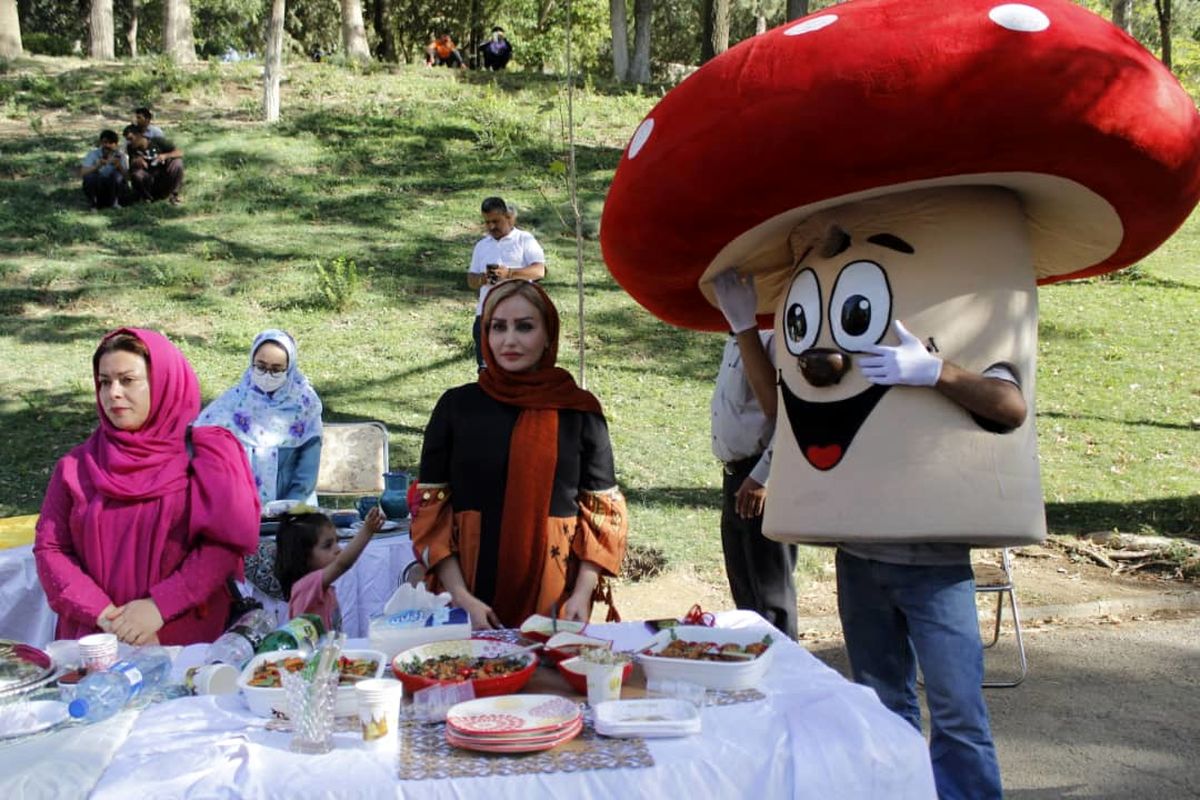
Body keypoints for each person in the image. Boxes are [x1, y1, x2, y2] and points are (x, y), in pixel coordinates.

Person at [412, 280, 627, 629]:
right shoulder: (456, 408)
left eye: (525, 326)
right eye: (498, 327)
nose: (509, 340)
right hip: (468, 600)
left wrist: (582, 594)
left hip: (557, 602)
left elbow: (602, 513)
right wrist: (463, 600)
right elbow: (430, 514)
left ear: (548, 336)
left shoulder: (579, 412)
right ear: (485, 335)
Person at [34, 328, 261, 646]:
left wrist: (158, 606)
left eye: (127, 380)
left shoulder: (209, 456)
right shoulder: (75, 467)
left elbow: (222, 546)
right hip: (95, 642)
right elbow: (52, 549)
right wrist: (106, 616)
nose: (113, 393)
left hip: (183, 638)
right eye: (104, 382)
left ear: (164, 382)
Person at [710, 269, 798, 639]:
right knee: (744, 587)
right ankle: (754, 668)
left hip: (761, 473)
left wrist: (765, 475)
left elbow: (787, 416)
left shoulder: (772, 336)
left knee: (770, 592)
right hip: (734, 474)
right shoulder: (735, 338)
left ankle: (784, 672)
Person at [196, 329, 324, 507]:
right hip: (237, 507)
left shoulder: (305, 406)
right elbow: (203, 448)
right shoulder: (232, 403)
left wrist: (288, 509)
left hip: (293, 510)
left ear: (290, 368)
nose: (267, 375)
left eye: (277, 369)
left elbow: (306, 473)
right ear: (252, 363)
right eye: (261, 367)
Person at [274, 506, 386, 631]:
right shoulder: (306, 586)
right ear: (302, 555)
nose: (338, 549)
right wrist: (367, 530)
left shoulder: (323, 588)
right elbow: (342, 564)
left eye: (336, 541)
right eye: (328, 545)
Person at [467, 196, 546, 369]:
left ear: (508, 217)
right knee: (487, 371)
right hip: (486, 315)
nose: (491, 227)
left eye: (496, 221)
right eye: (487, 222)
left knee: (521, 370)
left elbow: (539, 271)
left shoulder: (524, 240)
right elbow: (471, 280)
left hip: (519, 315)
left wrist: (509, 273)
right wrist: (483, 279)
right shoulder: (481, 246)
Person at [123, 125, 185, 204]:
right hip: (149, 179)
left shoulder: (157, 142)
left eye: (131, 139)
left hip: (164, 176)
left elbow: (179, 153)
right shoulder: (131, 148)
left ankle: (174, 195)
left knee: (177, 163)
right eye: (128, 140)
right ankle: (147, 198)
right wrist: (136, 162)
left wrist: (165, 156)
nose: (130, 142)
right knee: (137, 174)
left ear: (139, 135)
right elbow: (131, 171)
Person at [79, 129, 128, 211]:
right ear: (101, 143)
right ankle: (93, 204)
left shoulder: (120, 156)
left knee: (118, 176)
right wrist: (97, 166)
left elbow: (127, 177)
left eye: (111, 143)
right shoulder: (93, 154)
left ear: (115, 144)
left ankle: (115, 202)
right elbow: (83, 172)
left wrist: (119, 166)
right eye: (105, 142)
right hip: (99, 186)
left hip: (113, 188)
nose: (107, 145)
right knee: (89, 177)